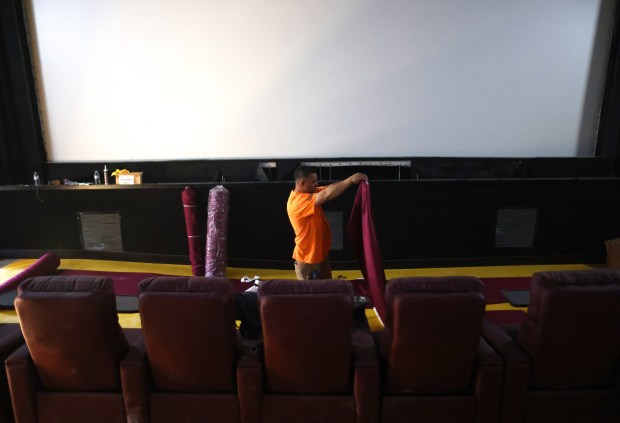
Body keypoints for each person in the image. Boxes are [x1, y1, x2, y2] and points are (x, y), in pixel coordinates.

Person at [287, 165, 368, 280]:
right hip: (307, 262)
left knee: (328, 293)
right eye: (313, 182)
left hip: (321, 257)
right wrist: (350, 180)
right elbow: (325, 195)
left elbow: (329, 188)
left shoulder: (310, 192)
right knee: (311, 297)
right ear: (302, 184)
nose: (316, 184)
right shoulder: (297, 202)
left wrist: (350, 181)